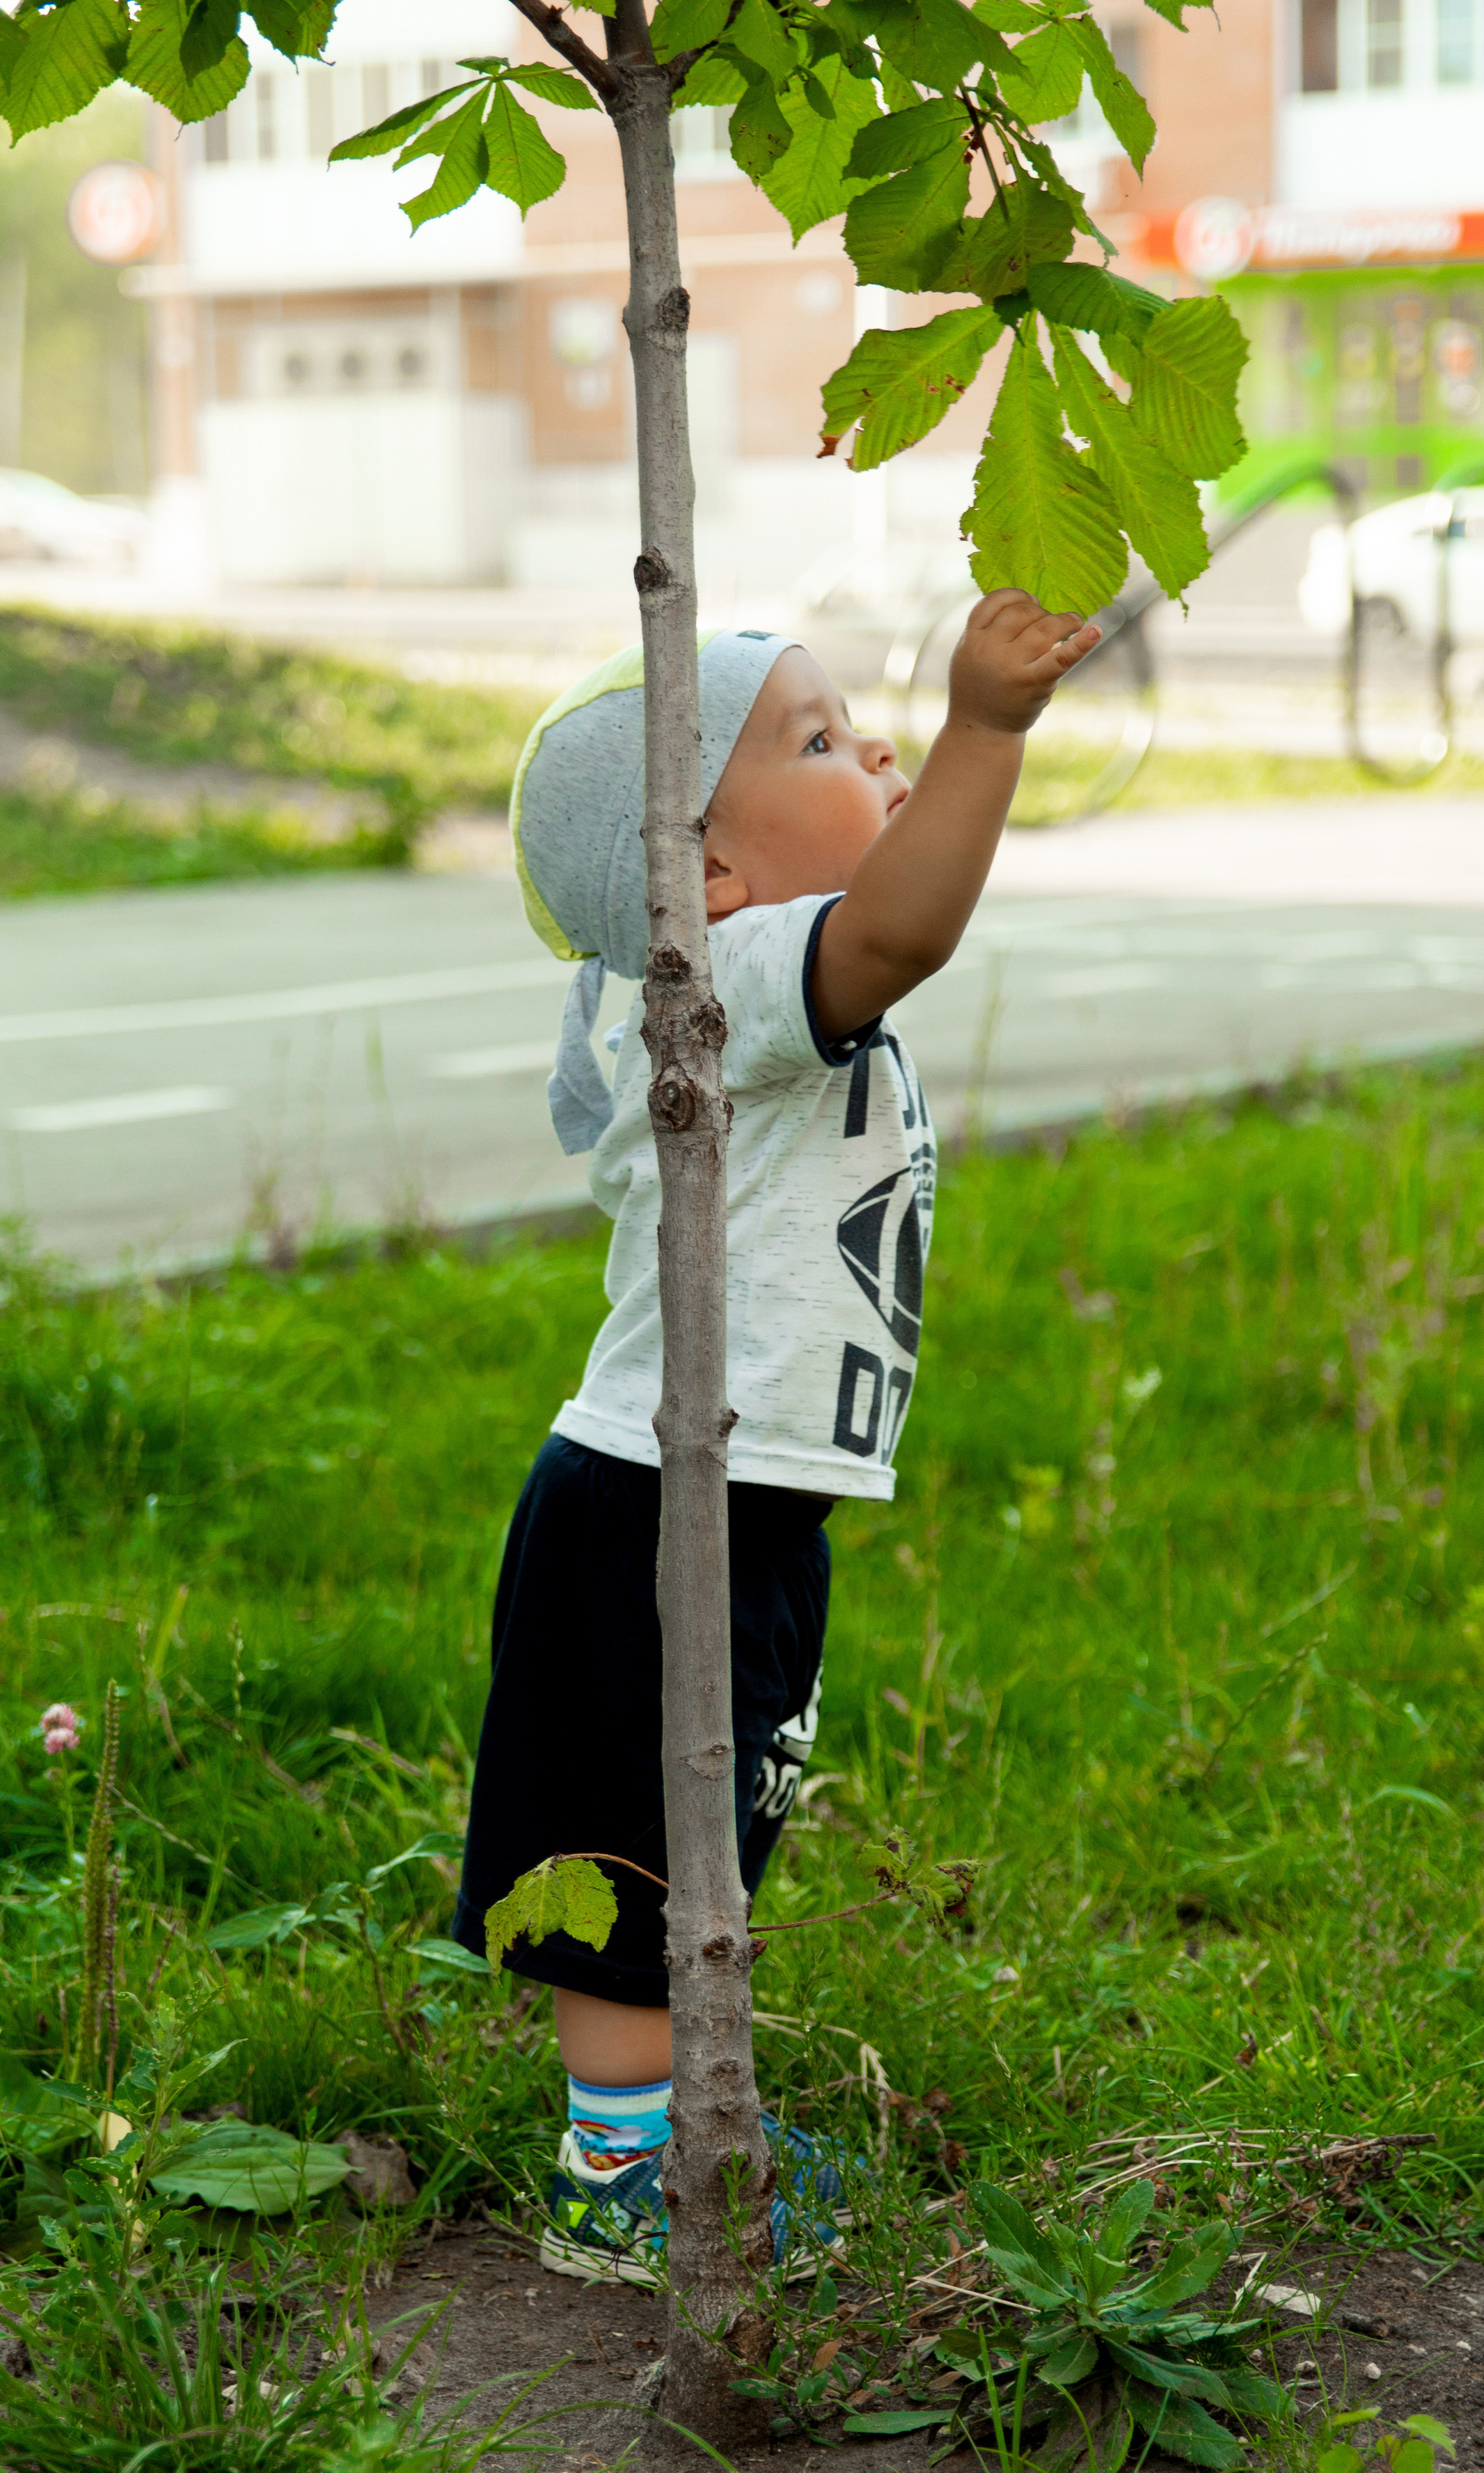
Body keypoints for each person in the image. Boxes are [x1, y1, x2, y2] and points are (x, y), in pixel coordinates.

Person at [450, 590, 1101, 2284]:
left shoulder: (726, 980)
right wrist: (984, 734)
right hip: (657, 1500)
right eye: (819, 740)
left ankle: (674, 2134)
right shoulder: (717, 978)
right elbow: (894, 931)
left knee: (715, 1823)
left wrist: (908, 755)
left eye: (859, 723)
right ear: (702, 878)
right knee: (636, 1839)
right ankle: (621, 2171)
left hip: (737, 1497)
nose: (870, 743)